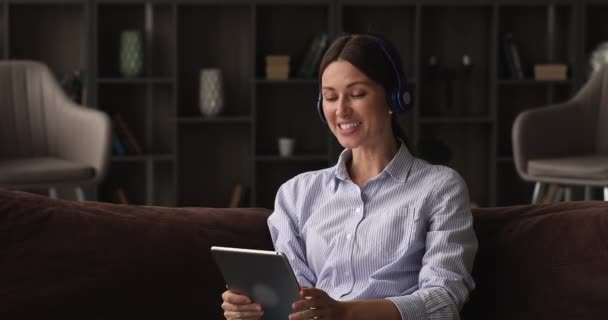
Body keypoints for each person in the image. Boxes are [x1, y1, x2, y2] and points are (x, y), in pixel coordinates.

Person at [221, 34, 478, 320]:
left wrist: (346, 312)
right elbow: (295, 303)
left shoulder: (440, 187)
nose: (341, 110)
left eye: (356, 94)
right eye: (330, 97)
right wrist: (254, 308)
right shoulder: (296, 194)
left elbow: (443, 301)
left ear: (393, 96)